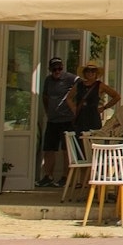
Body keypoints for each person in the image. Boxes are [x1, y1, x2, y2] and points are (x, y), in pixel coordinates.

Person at [36, 57, 78, 187]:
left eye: (60, 68)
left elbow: (83, 85)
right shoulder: (48, 80)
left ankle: (66, 176)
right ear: (50, 69)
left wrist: (76, 107)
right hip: (53, 120)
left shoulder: (70, 78)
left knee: (67, 150)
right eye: (54, 69)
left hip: (67, 119)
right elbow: (45, 96)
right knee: (49, 148)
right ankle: (48, 176)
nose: (57, 71)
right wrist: (48, 111)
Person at [66, 62, 119, 136]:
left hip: (93, 117)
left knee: (93, 141)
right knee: (79, 140)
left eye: (93, 71)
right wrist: (74, 108)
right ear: (84, 73)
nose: (90, 73)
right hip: (80, 118)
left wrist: (104, 107)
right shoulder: (79, 85)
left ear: (96, 73)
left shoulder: (100, 85)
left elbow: (116, 96)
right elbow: (69, 98)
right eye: (88, 71)